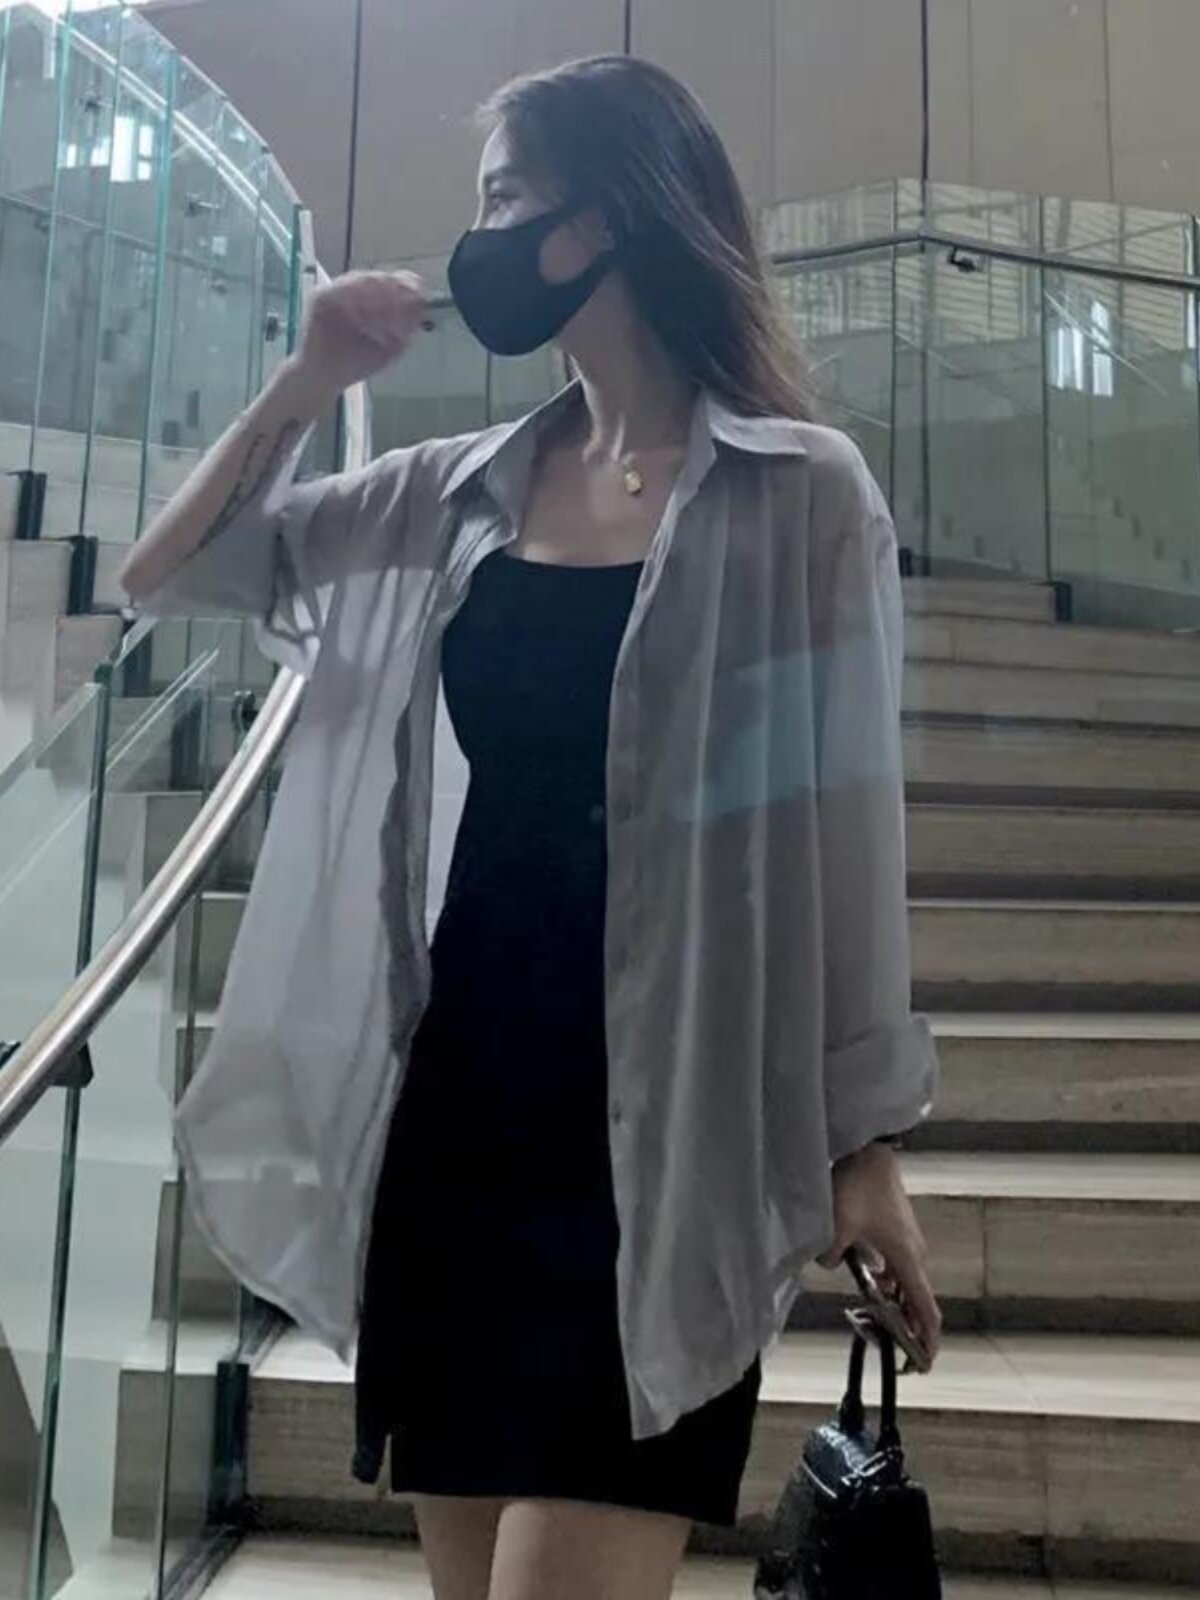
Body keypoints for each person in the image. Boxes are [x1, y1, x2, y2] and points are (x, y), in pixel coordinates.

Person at [120, 53, 940, 1600]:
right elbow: (173, 574)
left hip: (666, 1144)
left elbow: (845, 836)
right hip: (463, 1120)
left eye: (506, 198)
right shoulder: (460, 493)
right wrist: (306, 381)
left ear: (608, 215)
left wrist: (865, 1145)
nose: (478, 237)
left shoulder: (799, 498)